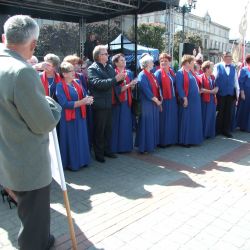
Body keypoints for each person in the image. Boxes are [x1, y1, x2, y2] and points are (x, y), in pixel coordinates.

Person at [0, 15, 62, 250]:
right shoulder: (21, 72)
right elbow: (44, 123)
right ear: (33, 44)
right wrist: (51, 103)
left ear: (5, 38)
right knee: (34, 224)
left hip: (7, 158)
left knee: (27, 215)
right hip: (27, 164)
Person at [88, 45, 126, 162]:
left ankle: (107, 150)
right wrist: (116, 79)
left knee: (108, 129)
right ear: (99, 56)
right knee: (99, 130)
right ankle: (99, 154)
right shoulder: (92, 69)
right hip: (99, 104)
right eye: (105, 53)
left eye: (107, 53)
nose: (107, 55)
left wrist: (120, 81)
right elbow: (98, 84)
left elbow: (113, 84)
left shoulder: (109, 67)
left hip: (109, 103)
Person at [56, 61, 93, 170]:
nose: (74, 72)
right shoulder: (59, 86)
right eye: (71, 71)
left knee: (81, 137)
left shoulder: (77, 82)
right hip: (68, 117)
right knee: (71, 139)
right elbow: (63, 104)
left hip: (80, 115)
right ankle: (72, 163)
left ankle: (83, 160)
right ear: (64, 73)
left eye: (74, 70)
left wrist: (88, 99)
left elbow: (84, 94)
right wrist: (82, 102)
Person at [135, 54, 162, 153]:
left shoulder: (151, 74)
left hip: (153, 103)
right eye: (151, 62)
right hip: (147, 103)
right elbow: (146, 91)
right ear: (146, 64)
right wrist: (157, 100)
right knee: (146, 125)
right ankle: (144, 146)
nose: (153, 63)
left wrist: (159, 99)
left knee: (152, 124)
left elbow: (157, 87)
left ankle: (151, 145)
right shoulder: (142, 75)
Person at [111, 53, 137, 153]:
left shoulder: (128, 73)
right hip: (118, 102)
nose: (124, 61)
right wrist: (129, 85)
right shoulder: (114, 73)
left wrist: (133, 85)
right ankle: (117, 147)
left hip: (127, 102)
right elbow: (117, 90)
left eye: (124, 59)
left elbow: (131, 88)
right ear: (116, 63)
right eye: (121, 60)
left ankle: (126, 147)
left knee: (126, 124)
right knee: (117, 124)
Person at [176, 55, 203, 146]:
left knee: (193, 120)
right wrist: (184, 98)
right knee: (187, 120)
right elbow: (179, 87)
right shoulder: (180, 73)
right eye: (192, 62)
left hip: (195, 101)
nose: (194, 64)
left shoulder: (191, 72)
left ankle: (192, 139)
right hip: (188, 100)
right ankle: (185, 141)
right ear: (187, 63)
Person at [213, 51, 240, 138]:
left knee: (228, 112)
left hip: (230, 93)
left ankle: (226, 130)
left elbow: (236, 81)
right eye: (228, 57)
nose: (230, 59)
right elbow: (213, 78)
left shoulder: (233, 68)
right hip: (221, 93)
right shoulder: (217, 66)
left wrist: (237, 94)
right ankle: (218, 129)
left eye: (230, 57)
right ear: (223, 57)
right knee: (220, 112)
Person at [154, 53, 178, 147]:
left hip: (172, 100)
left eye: (166, 61)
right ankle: (162, 142)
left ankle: (170, 140)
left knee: (171, 121)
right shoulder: (158, 73)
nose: (163, 62)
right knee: (164, 121)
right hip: (164, 101)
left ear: (170, 62)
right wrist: (159, 103)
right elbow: (156, 89)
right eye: (161, 61)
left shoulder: (172, 73)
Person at [200, 61, 218, 138]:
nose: (213, 69)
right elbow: (200, 89)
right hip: (204, 100)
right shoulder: (201, 77)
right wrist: (211, 91)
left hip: (212, 100)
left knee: (211, 116)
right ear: (207, 69)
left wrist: (216, 89)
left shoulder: (213, 77)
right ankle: (204, 134)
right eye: (211, 68)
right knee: (205, 116)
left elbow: (216, 86)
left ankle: (210, 133)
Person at [237, 54, 250, 132]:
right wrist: (242, 93)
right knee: (245, 109)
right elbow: (240, 82)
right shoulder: (244, 70)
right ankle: (243, 126)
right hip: (246, 93)